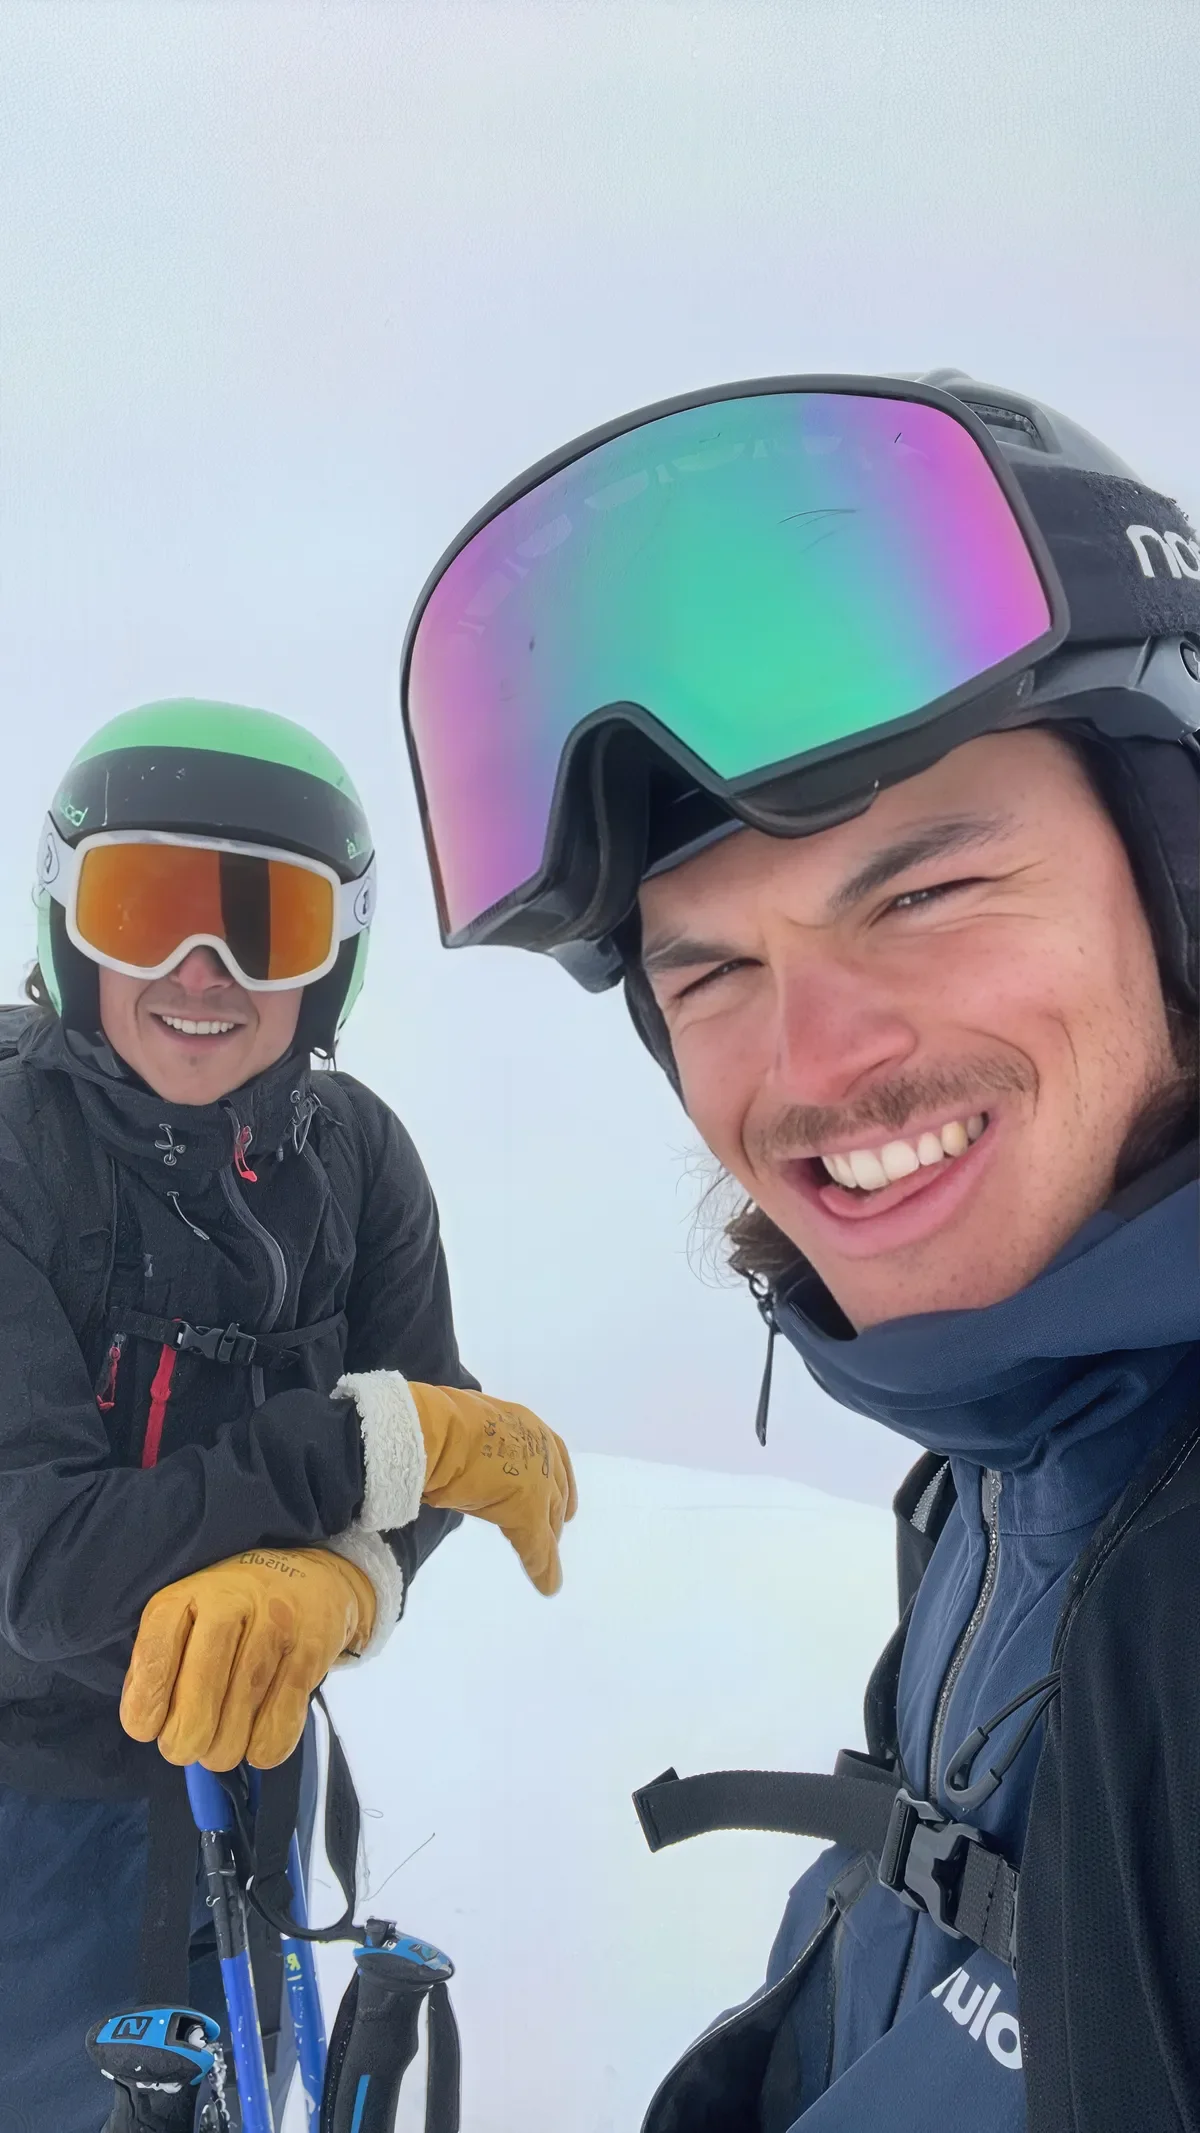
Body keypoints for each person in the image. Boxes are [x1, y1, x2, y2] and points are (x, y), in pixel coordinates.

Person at [397, 372, 1200, 2131]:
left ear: (1177, 884)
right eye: (709, 973)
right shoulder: (1020, 1459)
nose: (817, 1063)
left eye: (923, 895)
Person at [0, 696, 575, 2131]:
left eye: (268, 923)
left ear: (337, 959)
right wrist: (359, 1450)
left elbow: (435, 1467)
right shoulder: (15, 1151)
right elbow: (47, 1570)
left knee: (240, 2092)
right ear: (71, 920)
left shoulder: (357, 1157)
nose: (203, 970)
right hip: (28, 1803)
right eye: (146, 908)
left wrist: (345, 1579)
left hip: (250, 1763)